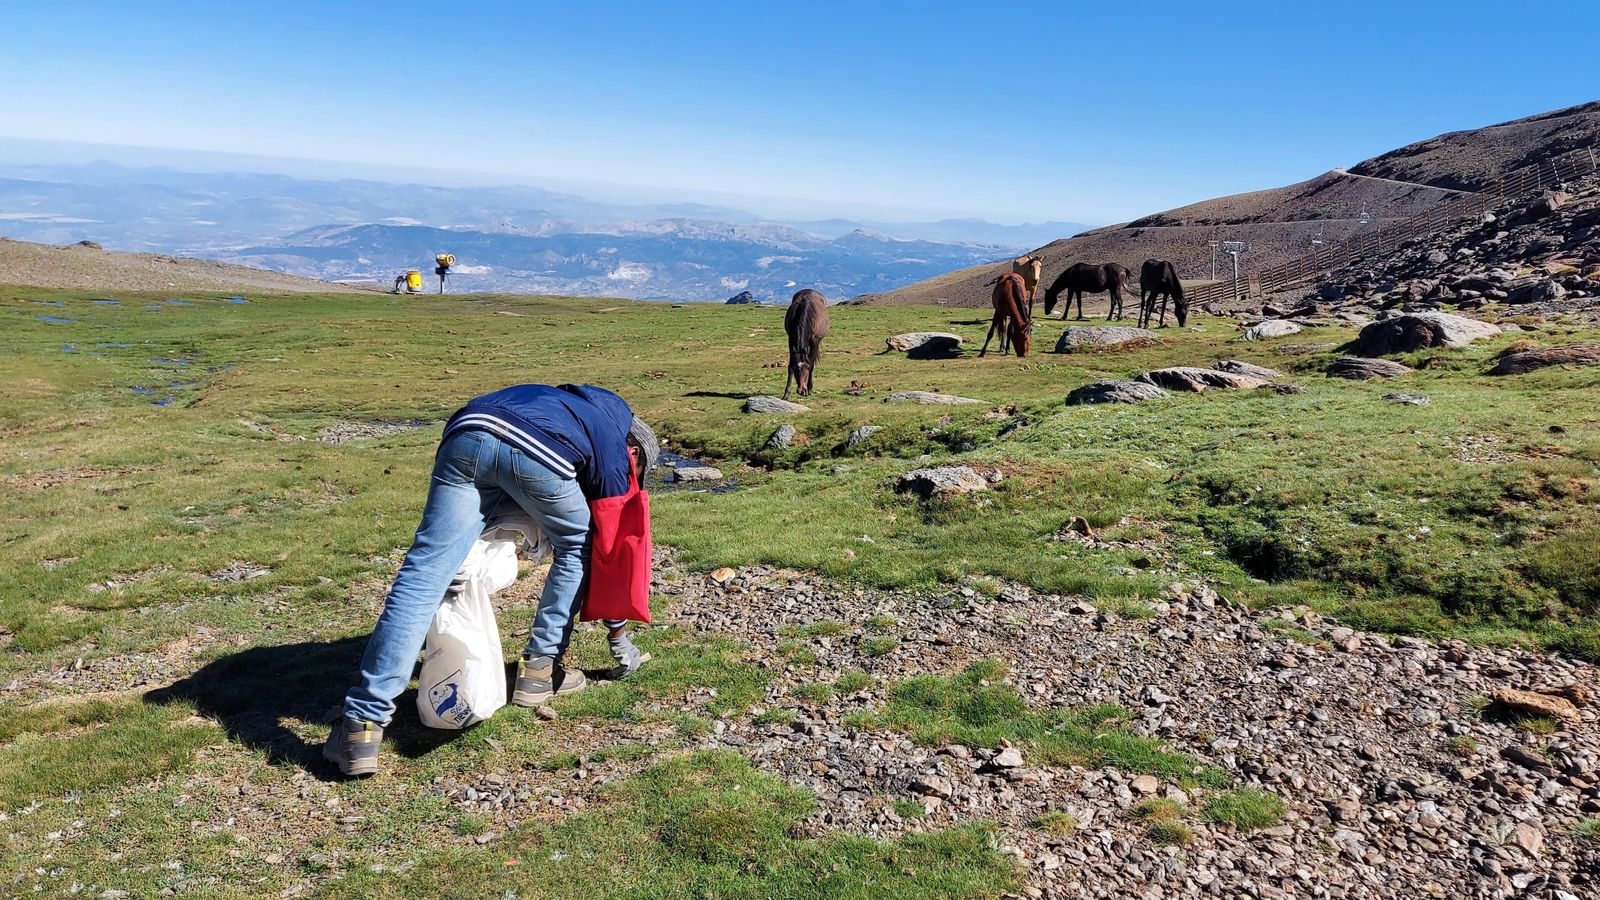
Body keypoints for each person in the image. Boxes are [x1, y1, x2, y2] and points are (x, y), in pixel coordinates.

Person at [324, 383, 658, 776]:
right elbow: (614, 553)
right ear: (633, 452)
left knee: (424, 573)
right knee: (579, 546)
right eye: (638, 474)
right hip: (538, 450)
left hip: (467, 433)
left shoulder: (573, 407)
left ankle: (361, 726)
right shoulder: (613, 443)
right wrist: (618, 637)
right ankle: (540, 672)